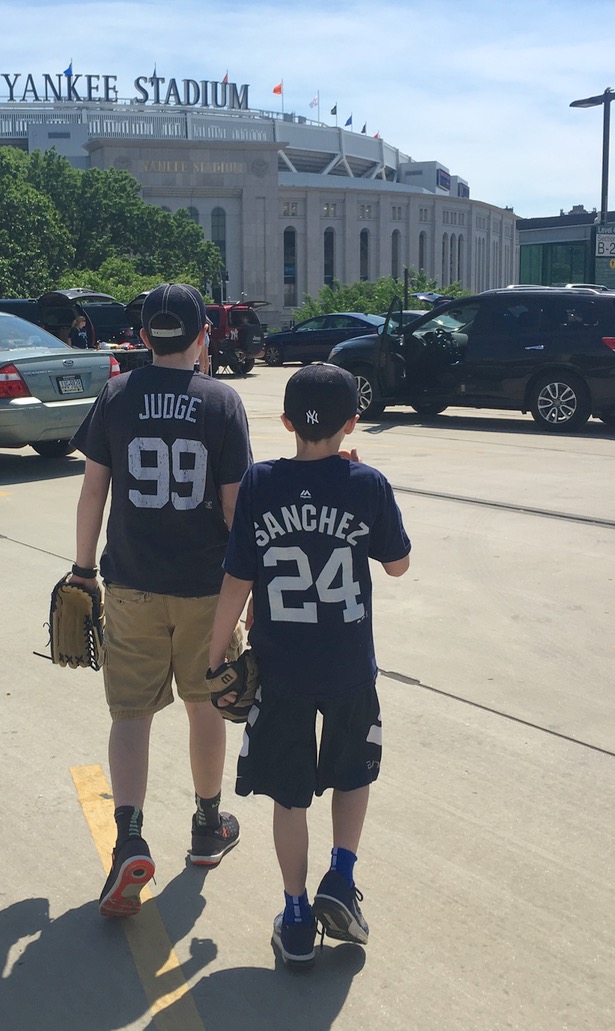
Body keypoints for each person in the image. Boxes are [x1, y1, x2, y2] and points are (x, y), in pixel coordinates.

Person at [207, 363, 411, 968]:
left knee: (290, 796)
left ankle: (296, 917)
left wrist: (215, 656)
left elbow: (236, 581)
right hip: (348, 666)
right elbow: (398, 565)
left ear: (287, 421)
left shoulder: (260, 483)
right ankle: (340, 878)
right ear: (353, 421)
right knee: (352, 773)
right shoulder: (366, 483)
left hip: (281, 669)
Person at [69, 283, 253, 918]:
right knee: (205, 706)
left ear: (144, 337)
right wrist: (249, 589)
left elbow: (94, 492)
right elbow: (234, 507)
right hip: (207, 587)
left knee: (131, 714)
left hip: (131, 585)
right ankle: (206, 826)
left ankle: (129, 838)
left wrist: (82, 571)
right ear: (204, 336)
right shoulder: (223, 402)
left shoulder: (117, 396)